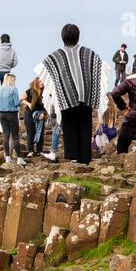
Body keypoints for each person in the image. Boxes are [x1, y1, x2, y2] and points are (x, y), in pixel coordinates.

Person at [34, 23, 107, 166]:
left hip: (66, 99)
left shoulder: (56, 56)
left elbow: (45, 72)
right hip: (85, 98)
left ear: (62, 37)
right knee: (85, 127)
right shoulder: (89, 54)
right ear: (78, 36)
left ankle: (73, 157)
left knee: (70, 127)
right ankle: (85, 158)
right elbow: (99, 69)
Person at [0, 73, 24, 165]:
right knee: (15, 136)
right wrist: (21, 102)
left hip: (2, 114)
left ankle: (7, 157)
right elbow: (16, 102)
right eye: (14, 80)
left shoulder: (1, 90)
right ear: (11, 80)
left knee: (6, 136)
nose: (15, 82)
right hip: (11, 113)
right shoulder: (13, 88)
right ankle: (19, 158)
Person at [22, 77, 46, 157]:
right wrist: (28, 104)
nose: (42, 83)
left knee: (40, 133)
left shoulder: (45, 92)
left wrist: (44, 114)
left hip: (40, 114)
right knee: (30, 132)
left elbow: (47, 105)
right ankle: (30, 150)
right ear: (36, 83)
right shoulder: (30, 91)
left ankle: (39, 150)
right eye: (40, 82)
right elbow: (22, 99)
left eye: (42, 81)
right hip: (29, 114)